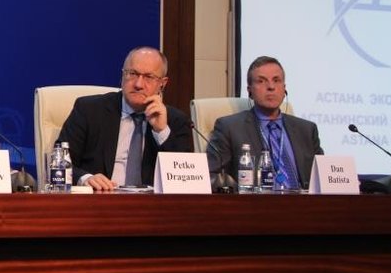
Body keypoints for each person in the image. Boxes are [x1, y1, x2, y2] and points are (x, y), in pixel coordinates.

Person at [58, 46, 193, 191]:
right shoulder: (89, 110)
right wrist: (86, 178)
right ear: (122, 76)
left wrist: (161, 132)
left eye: (149, 77)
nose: (138, 84)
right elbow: (59, 162)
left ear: (162, 84)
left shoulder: (176, 120)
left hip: (151, 203)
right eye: (132, 74)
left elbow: (185, 179)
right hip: (99, 199)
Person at [206, 55, 322, 190]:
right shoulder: (229, 128)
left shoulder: (307, 130)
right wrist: (241, 190)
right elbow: (209, 176)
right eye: (261, 81)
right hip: (255, 202)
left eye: (276, 80)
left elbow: (322, 177)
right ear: (249, 90)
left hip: (305, 201)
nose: (271, 87)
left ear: (284, 89)